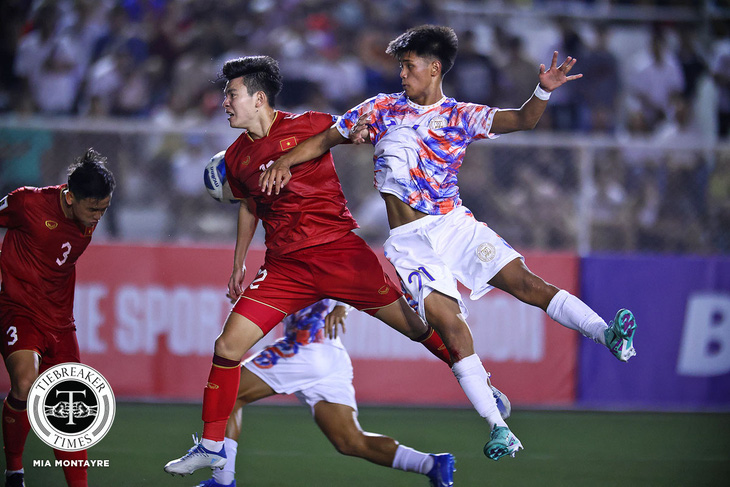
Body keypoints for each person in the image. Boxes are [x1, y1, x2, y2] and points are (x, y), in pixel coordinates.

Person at [260, 25, 638, 461]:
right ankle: (499, 428)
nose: (402, 74)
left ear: (434, 68)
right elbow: (328, 138)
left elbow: (523, 119)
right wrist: (283, 162)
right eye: (401, 66)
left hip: (455, 226)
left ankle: (607, 334)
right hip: (410, 242)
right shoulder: (380, 108)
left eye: (410, 66)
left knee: (529, 285)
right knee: (451, 325)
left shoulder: (460, 115)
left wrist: (543, 89)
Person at [164, 55, 454, 478]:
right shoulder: (235, 157)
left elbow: (356, 130)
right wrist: (239, 261)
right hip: (286, 269)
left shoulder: (311, 123)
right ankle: (211, 448)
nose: (224, 102)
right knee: (227, 349)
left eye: (231, 94)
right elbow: (249, 204)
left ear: (258, 98)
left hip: (337, 255)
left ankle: (475, 380)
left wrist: (365, 135)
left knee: (416, 328)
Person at [197, 299, 506, 487]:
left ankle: (223, 482)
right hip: (328, 354)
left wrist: (343, 305)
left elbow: (348, 273)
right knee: (349, 441)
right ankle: (432, 465)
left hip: (306, 347)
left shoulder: (310, 241)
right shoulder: (299, 242)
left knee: (229, 391)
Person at [0, 148, 115, 487]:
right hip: (17, 310)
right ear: (69, 196)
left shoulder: (86, 216)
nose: (97, 217)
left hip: (61, 322)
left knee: (70, 416)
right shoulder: (27, 203)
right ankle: (15, 471)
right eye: (92, 208)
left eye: (104, 210)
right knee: (25, 382)